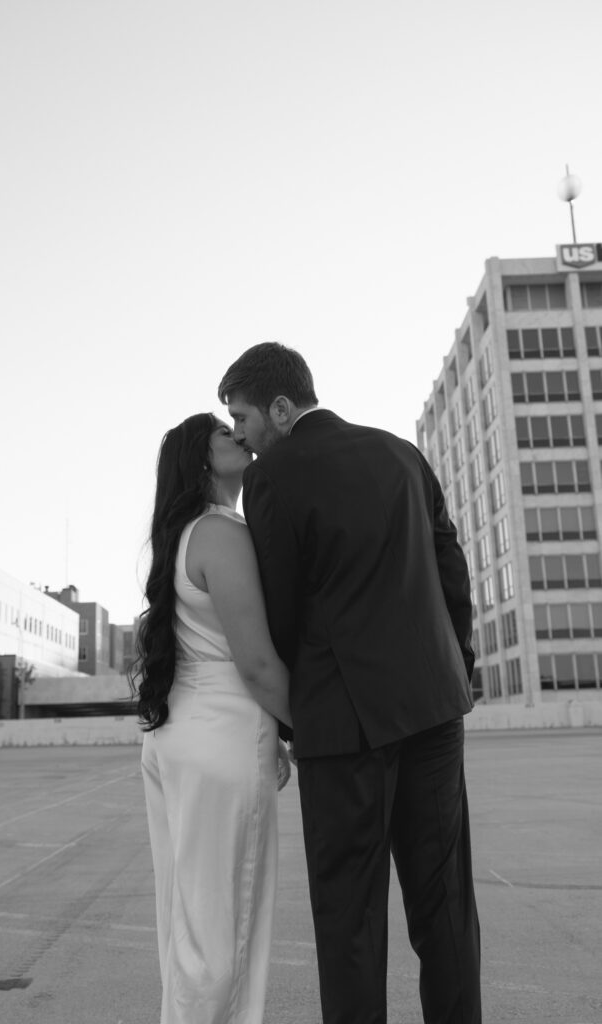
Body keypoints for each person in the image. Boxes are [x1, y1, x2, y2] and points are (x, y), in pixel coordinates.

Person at [218, 343, 482, 1024]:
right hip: (432, 711)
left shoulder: (273, 477)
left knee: (350, 922)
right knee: (445, 907)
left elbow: (280, 609)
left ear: (280, 407)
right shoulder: (400, 454)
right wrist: (458, 673)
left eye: (242, 416)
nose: (240, 433)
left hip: (341, 727)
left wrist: (284, 724)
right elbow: (450, 571)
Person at [130, 412, 292, 1024]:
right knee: (223, 929)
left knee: (187, 923)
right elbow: (254, 662)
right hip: (222, 739)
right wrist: (303, 728)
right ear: (203, 459)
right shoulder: (223, 533)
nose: (241, 436)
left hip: (178, 736)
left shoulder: (184, 534)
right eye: (227, 434)